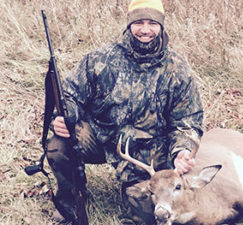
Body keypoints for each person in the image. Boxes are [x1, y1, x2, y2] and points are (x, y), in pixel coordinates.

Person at [46, 0, 204, 224]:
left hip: (147, 155)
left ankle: (131, 191)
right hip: (101, 139)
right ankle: (70, 199)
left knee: (149, 216)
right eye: (139, 22)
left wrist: (181, 150)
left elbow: (188, 120)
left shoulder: (177, 69)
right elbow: (70, 94)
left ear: (162, 25)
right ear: (129, 23)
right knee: (59, 144)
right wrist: (65, 116)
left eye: (152, 23)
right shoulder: (100, 59)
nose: (145, 30)